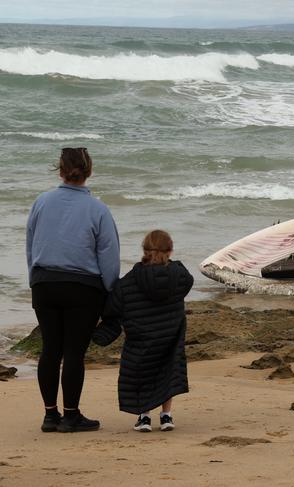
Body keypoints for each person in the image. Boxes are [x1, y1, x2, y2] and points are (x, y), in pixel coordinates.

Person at [26, 147, 120, 433]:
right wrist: (109, 293)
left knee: (50, 351)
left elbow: (31, 246)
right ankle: (71, 415)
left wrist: (35, 280)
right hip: (83, 288)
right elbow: (109, 258)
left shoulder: (41, 202)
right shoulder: (99, 209)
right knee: (74, 353)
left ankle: (50, 415)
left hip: (44, 283)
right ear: (88, 171)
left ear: (60, 170)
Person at [92, 230, 193, 432]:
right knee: (168, 370)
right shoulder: (180, 276)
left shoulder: (128, 281)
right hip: (169, 333)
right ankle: (166, 416)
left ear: (144, 250)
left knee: (142, 372)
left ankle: (144, 417)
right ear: (170, 250)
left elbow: (112, 308)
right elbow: (187, 284)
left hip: (141, 336)